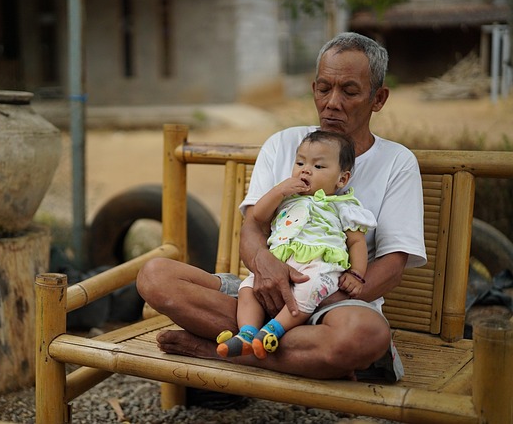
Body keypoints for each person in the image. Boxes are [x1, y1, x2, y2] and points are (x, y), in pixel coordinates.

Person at [136, 32, 426, 382]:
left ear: (378, 98)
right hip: (262, 291)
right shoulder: (284, 143)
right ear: (313, 88)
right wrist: (266, 268)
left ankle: (215, 350)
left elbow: (392, 266)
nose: (332, 102)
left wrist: (315, 299)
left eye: (349, 92)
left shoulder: (397, 162)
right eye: (323, 89)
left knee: (365, 336)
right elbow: (253, 227)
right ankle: (298, 351)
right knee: (154, 276)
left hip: (333, 302)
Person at [217, 130, 376, 360]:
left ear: (342, 179)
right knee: (248, 288)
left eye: (318, 166)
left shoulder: (344, 206)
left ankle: (273, 330)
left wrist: (357, 274)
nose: (305, 170)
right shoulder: (286, 199)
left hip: (319, 265)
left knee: (310, 290)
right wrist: (278, 191)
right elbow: (258, 216)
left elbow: (356, 242)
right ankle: (247, 334)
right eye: (300, 163)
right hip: (279, 262)